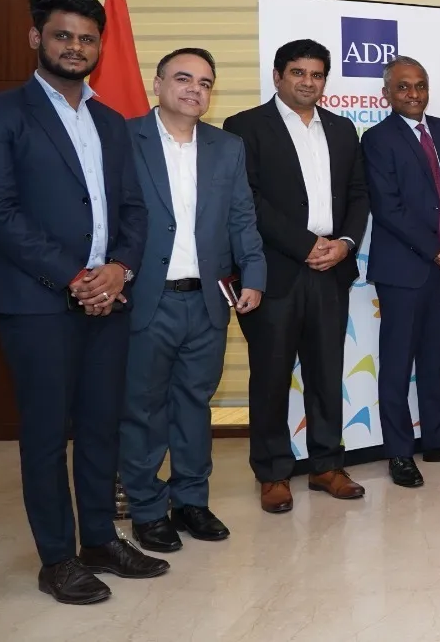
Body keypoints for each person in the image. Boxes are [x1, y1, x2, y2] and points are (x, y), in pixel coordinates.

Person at [0, 0, 166, 605]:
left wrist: (120, 269)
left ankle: (100, 539)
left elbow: (134, 208)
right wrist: (78, 276)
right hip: (38, 302)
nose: (75, 47)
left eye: (85, 38)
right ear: (37, 39)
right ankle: (57, 557)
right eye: (62, 35)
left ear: (99, 46)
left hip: (110, 298)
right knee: (49, 434)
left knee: (102, 426)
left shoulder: (109, 120)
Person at [120, 48, 266, 554]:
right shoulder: (125, 139)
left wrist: (255, 276)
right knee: (143, 409)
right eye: (183, 79)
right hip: (146, 300)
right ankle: (145, 507)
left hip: (206, 301)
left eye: (205, 82)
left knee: (193, 405)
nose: (194, 90)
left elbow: (242, 217)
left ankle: (191, 501)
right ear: (157, 83)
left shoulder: (227, 147)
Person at [224, 39, 370, 513]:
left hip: (331, 268)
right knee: (271, 374)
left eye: (317, 75)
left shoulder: (343, 129)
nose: (308, 82)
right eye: (298, 73)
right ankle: (273, 472)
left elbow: (358, 194)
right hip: (277, 270)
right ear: (278, 76)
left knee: (327, 371)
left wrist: (344, 244)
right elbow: (249, 199)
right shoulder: (245, 127)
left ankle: (327, 464)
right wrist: (306, 245)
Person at [362, 56, 440, 489]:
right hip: (404, 269)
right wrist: (438, 249)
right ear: (387, 93)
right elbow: (388, 208)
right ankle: (399, 451)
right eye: (403, 87)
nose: (413, 94)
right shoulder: (377, 140)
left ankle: (438, 437)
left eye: (420, 85)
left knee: (434, 357)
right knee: (397, 363)